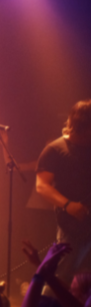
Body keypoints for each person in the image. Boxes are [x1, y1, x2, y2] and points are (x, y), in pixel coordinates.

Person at [35, 99, 91, 283]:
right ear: (82, 127)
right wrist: (69, 205)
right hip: (71, 226)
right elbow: (42, 185)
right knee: (62, 277)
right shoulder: (54, 150)